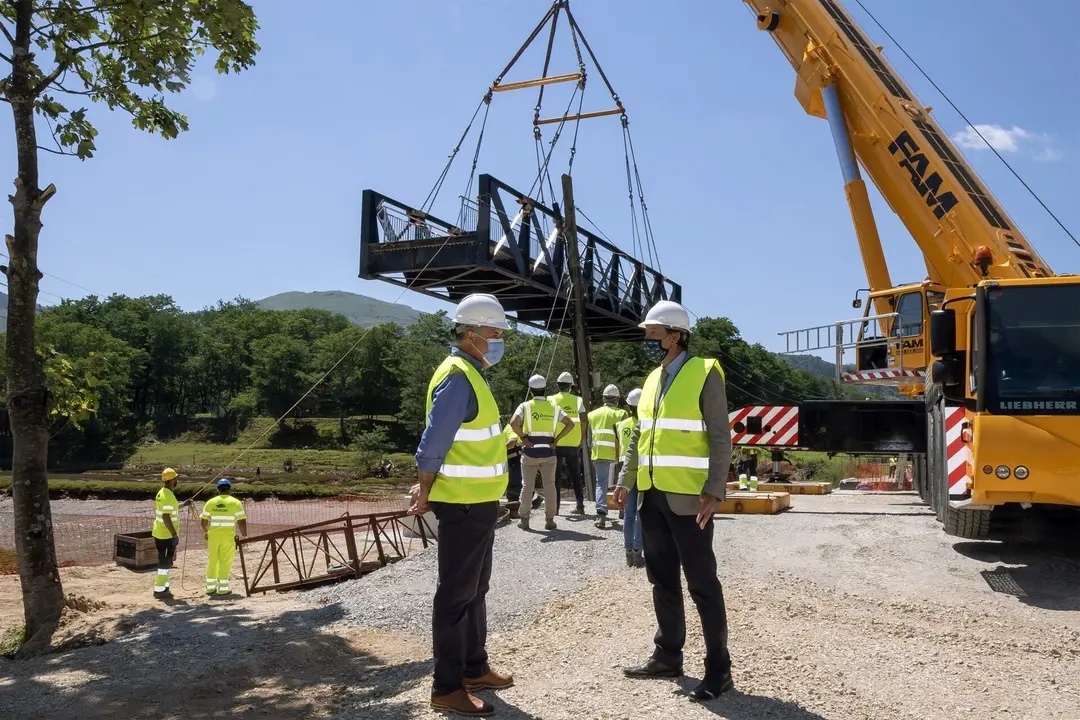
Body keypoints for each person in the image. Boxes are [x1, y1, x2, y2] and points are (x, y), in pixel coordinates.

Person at [613, 299, 735, 701]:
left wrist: (714, 489)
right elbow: (639, 436)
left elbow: (720, 436)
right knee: (661, 579)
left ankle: (719, 669)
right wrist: (626, 480)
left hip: (689, 498)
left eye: (653, 333)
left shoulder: (704, 373)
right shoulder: (651, 380)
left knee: (701, 583)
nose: (646, 339)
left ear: (676, 336)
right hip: (651, 496)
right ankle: (668, 655)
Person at [411, 293, 515, 717]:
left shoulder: (472, 374)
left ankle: (474, 667)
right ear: (472, 335)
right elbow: (433, 443)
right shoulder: (457, 376)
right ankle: (447, 687)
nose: (498, 340)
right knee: (455, 596)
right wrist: (425, 488)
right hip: (463, 504)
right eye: (494, 333)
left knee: (475, 590)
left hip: (480, 503)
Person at [510, 374, 574, 531]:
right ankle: (550, 520)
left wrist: (523, 438)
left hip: (530, 452)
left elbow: (513, 422)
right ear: (544, 390)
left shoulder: (525, 406)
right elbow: (570, 424)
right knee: (550, 485)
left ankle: (524, 519)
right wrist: (556, 440)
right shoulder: (554, 407)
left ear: (531, 391)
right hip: (548, 452)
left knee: (527, 485)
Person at [587, 384, 628, 529]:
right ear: (617, 399)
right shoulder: (622, 414)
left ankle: (601, 516)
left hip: (599, 454)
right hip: (618, 455)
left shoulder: (592, 415)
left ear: (604, 398)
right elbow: (624, 436)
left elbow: (589, 440)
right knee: (622, 483)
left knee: (601, 484)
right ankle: (622, 511)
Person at [199, 478, 248, 597]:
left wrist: (207, 532)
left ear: (218, 489)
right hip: (227, 536)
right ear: (229, 489)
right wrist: (244, 534)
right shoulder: (235, 502)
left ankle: (210, 588)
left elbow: (203, 520)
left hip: (213, 537)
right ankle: (223, 589)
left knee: (212, 561)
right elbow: (241, 520)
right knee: (225, 561)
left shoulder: (211, 502)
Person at [551, 371, 588, 515]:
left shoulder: (551, 400)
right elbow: (584, 420)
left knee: (556, 476)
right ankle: (580, 506)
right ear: (570, 386)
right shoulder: (578, 401)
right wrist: (582, 437)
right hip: (573, 442)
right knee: (575, 474)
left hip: (556, 442)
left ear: (558, 386)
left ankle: (556, 508)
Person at [617, 389, 645, 568]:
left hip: (624, 468)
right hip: (641, 471)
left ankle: (628, 552)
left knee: (628, 514)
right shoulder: (647, 424)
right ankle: (637, 552)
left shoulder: (622, 424)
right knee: (640, 515)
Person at [152, 467, 181, 598]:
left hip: (160, 532)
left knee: (165, 560)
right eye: (176, 479)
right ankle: (159, 589)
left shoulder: (162, 492)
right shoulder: (168, 495)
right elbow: (166, 516)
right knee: (164, 561)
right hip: (166, 535)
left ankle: (164, 585)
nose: (177, 481)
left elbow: (169, 509)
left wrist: (183, 505)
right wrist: (174, 534)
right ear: (172, 480)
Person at [503, 423, 525, 520]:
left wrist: (500, 451)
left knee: (513, 485)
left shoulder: (510, 427)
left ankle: (514, 512)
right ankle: (535, 498)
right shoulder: (518, 427)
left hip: (513, 460)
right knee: (517, 484)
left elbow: (513, 440)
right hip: (517, 459)